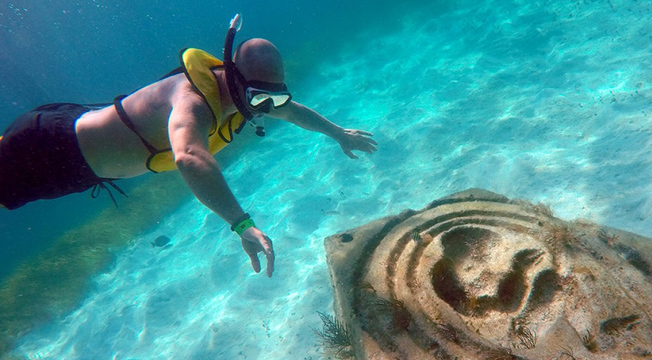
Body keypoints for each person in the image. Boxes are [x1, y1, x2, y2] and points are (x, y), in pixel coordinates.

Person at [0, 14, 377, 278]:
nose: (265, 110)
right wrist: (241, 223)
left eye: (273, 100)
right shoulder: (191, 102)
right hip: (52, 150)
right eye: (261, 98)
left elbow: (292, 111)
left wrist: (338, 133)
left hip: (78, 142)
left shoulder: (244, 92)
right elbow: (188, 156)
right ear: (234, 76)